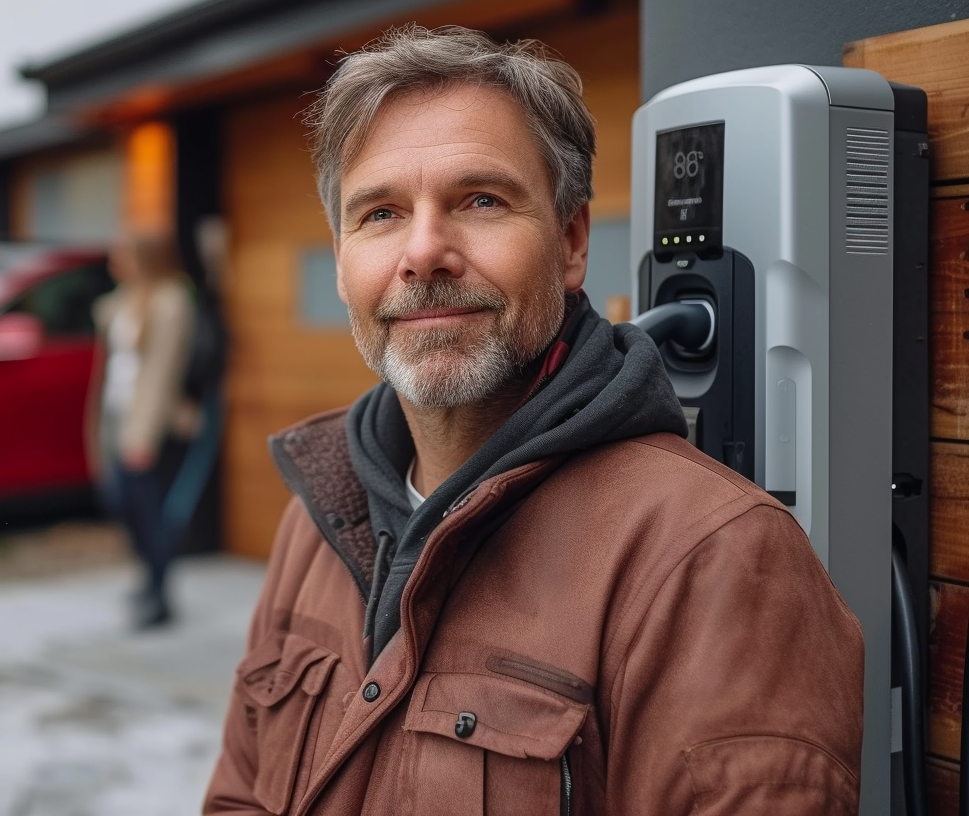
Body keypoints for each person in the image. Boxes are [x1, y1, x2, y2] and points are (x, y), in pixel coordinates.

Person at [204, 25, 863, 815]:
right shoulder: (319, 511)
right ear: (342, 261)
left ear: (572, 241)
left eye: (480, 200)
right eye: (379, 213)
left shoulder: (710, 557)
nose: (424, 252)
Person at [89, 230, 197, 629]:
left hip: (150, 421)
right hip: (118, 414)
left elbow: (160, 374)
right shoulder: (127, 298)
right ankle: (147, 580)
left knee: (151, 512)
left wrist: (143, 436)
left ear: (145, 257)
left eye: (123, 254)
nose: (114, 262)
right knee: (123, 505)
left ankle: (159, 595)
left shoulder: (170, 300)